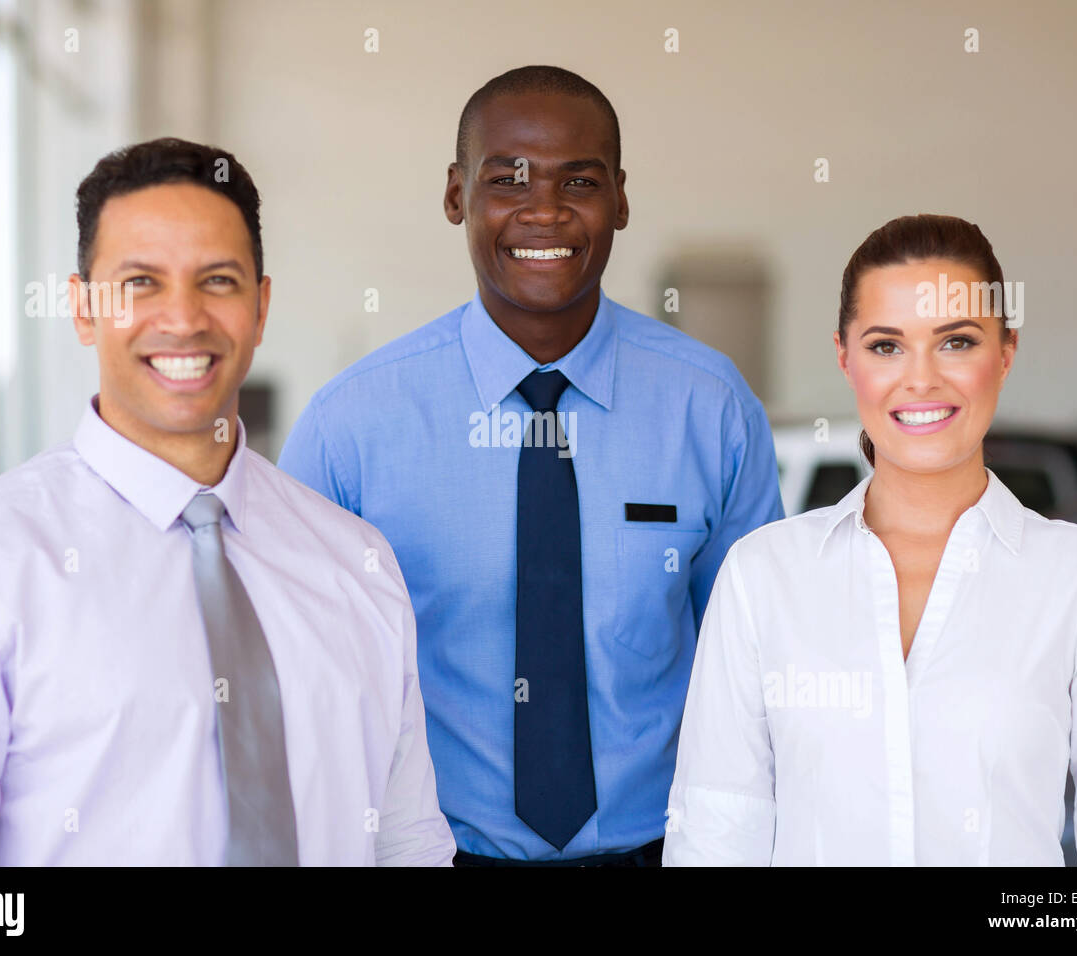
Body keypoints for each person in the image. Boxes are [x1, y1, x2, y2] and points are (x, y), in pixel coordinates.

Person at [0, 137, 455, 866]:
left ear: (261, 306)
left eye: (217, 280)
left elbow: (409, 848)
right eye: (140, 283)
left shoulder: (358, 562)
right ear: (83, 309)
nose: (183, 319)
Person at [278, 66, 784, 865]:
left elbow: (760, 671)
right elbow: (300, 688)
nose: (544, 211)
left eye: (577, 181)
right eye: (507, 179)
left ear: (620, 198)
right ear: (456, 196)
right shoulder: (351, 428)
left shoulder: (711, 408)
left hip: (663, 849)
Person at [663, 213, 1077, 866]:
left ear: (1005, 352)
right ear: (846, 358)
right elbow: (714, 839)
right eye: (886, 345)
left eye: (956, 341)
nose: (922, 378)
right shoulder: (763, 576)